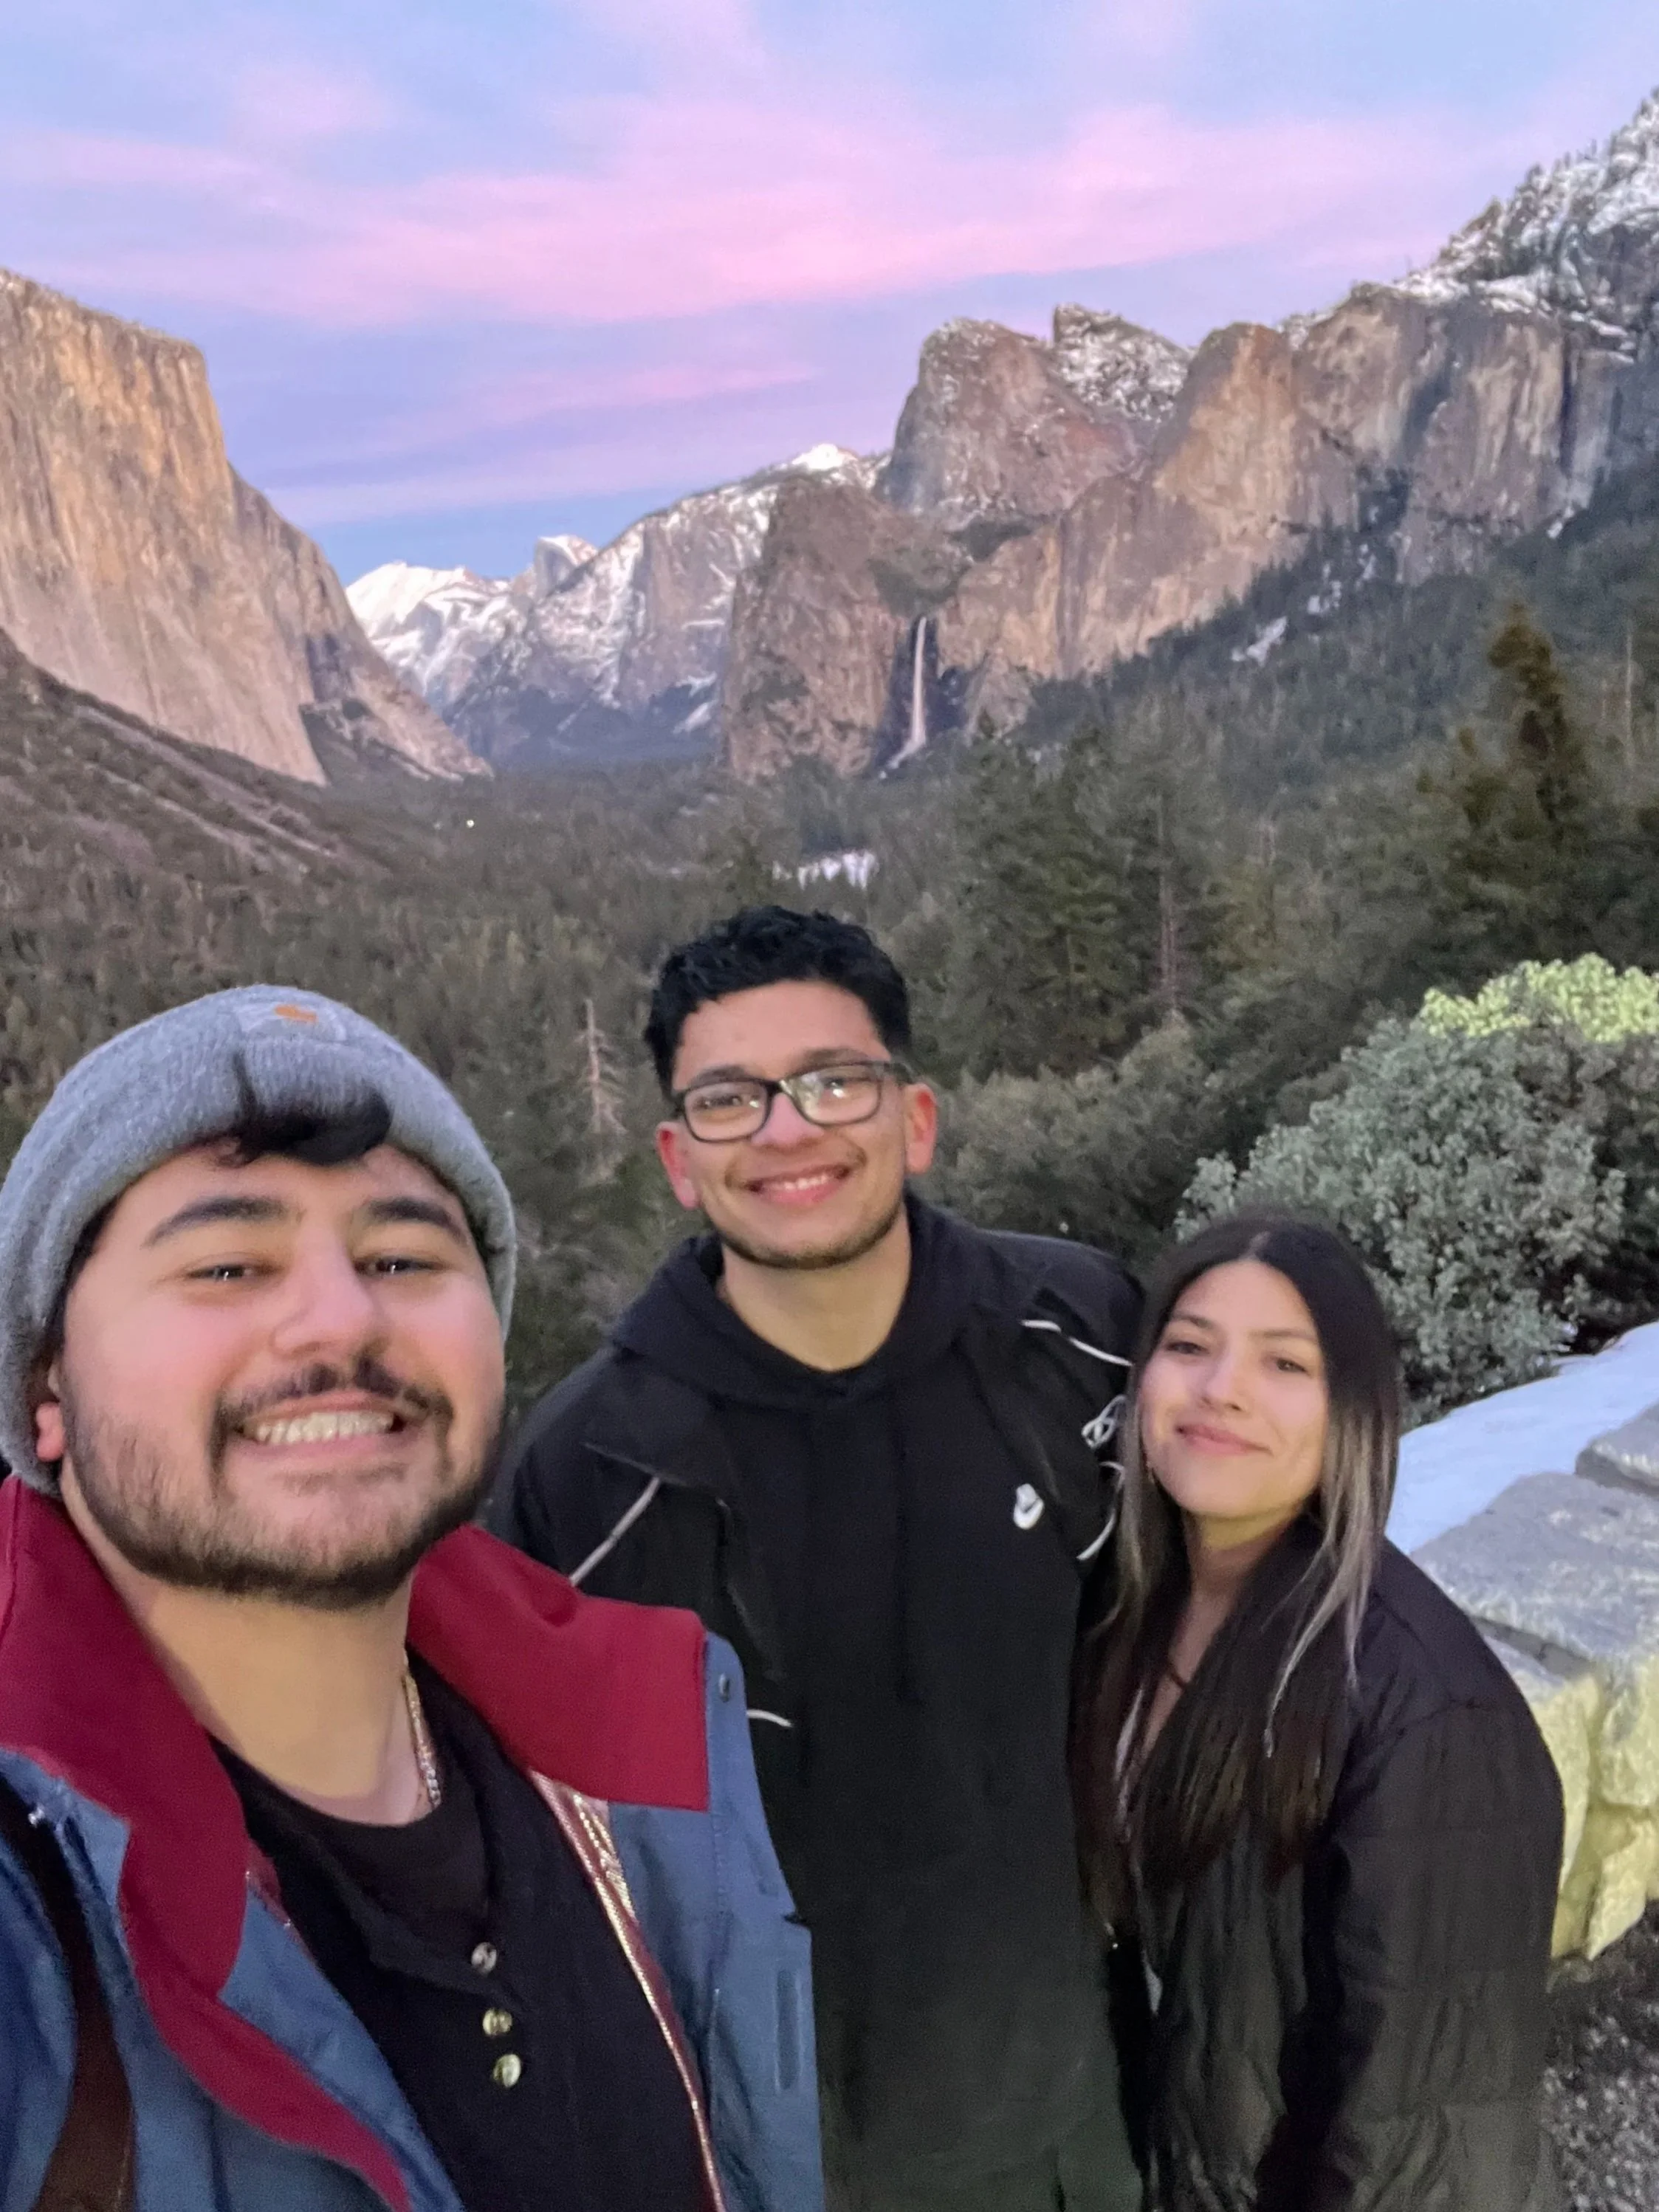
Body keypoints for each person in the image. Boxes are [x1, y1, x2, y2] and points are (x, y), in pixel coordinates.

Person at [0, 985, 822, 2212]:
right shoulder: (34, 1912)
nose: (341, 1317)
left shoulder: (643, 1753)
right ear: (46, 1391)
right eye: (228, 1263)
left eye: (400, 1256)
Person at [490, 906, 1144, 2212]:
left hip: (1079, 2117)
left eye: (833, 1081)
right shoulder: (582, 1479)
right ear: (679, 1160)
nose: (787, 1131)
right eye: (731, 1099)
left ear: (913, 1119)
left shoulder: (1082, 1337)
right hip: (768, 2165)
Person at [1071, 1211, 1563, 2211]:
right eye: (1188, 1346)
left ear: (1353, 1412)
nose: (1221, 1391)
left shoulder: (1423, 1709)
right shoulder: (1124, 1616)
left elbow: (1426, 2142)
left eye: (1283, 1365)